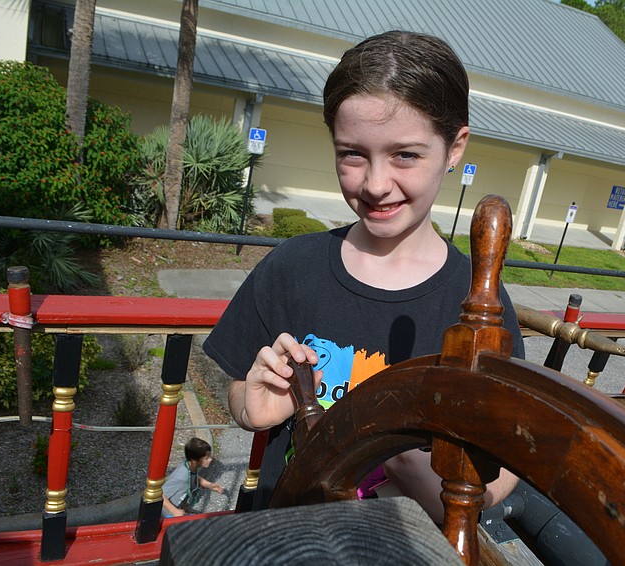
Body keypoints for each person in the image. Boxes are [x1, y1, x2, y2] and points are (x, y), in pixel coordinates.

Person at [203, 30, 524, 521]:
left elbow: (506, 465)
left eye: (406, 155)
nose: (375, 184)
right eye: (352, 153)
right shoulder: (292, 267)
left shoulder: (478, 302)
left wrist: (440, 481)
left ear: (455, 146)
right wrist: (250, 406)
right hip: (287, 532)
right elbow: (237, 389)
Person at [162, 437, 225, 517]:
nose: (210, 460)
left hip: (179, 508)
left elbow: (193, 476)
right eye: (206, 458)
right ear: (194, 460)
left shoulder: (190, 466)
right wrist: (174, 511)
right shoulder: (181, 476)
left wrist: (210, 485)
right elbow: (160, 494)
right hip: (166, 515)